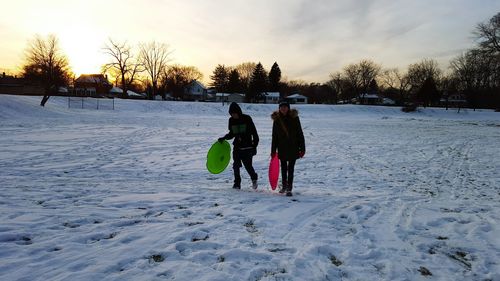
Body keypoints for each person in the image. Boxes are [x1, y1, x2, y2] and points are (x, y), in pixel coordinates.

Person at [218, 102, 259, 189]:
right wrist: (224, 138)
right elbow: (232, 133)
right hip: (237, 146)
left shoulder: (247, 118)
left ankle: (254, 178)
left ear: (239, 112)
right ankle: (237, 183)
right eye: (232, 114)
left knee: (248, 166)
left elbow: (254, 133)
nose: (233, 115)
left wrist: (254, 146)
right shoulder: (231, 120)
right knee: (236, 165)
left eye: (235, 113)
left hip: (248, 147)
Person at [271, 101, 305, 196]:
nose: (283, 109)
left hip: (293, 147)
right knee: (283, 168)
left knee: (291, 168)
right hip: (282, 147)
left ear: (288, 108)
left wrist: (302, 149)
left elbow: (300, 134)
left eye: (285, 107)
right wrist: (273, 151)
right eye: (282, 107)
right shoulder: (277, 120)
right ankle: (284, 186)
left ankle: (289, 187)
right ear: (279, 108)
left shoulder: (294, 118)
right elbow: (274, 136)